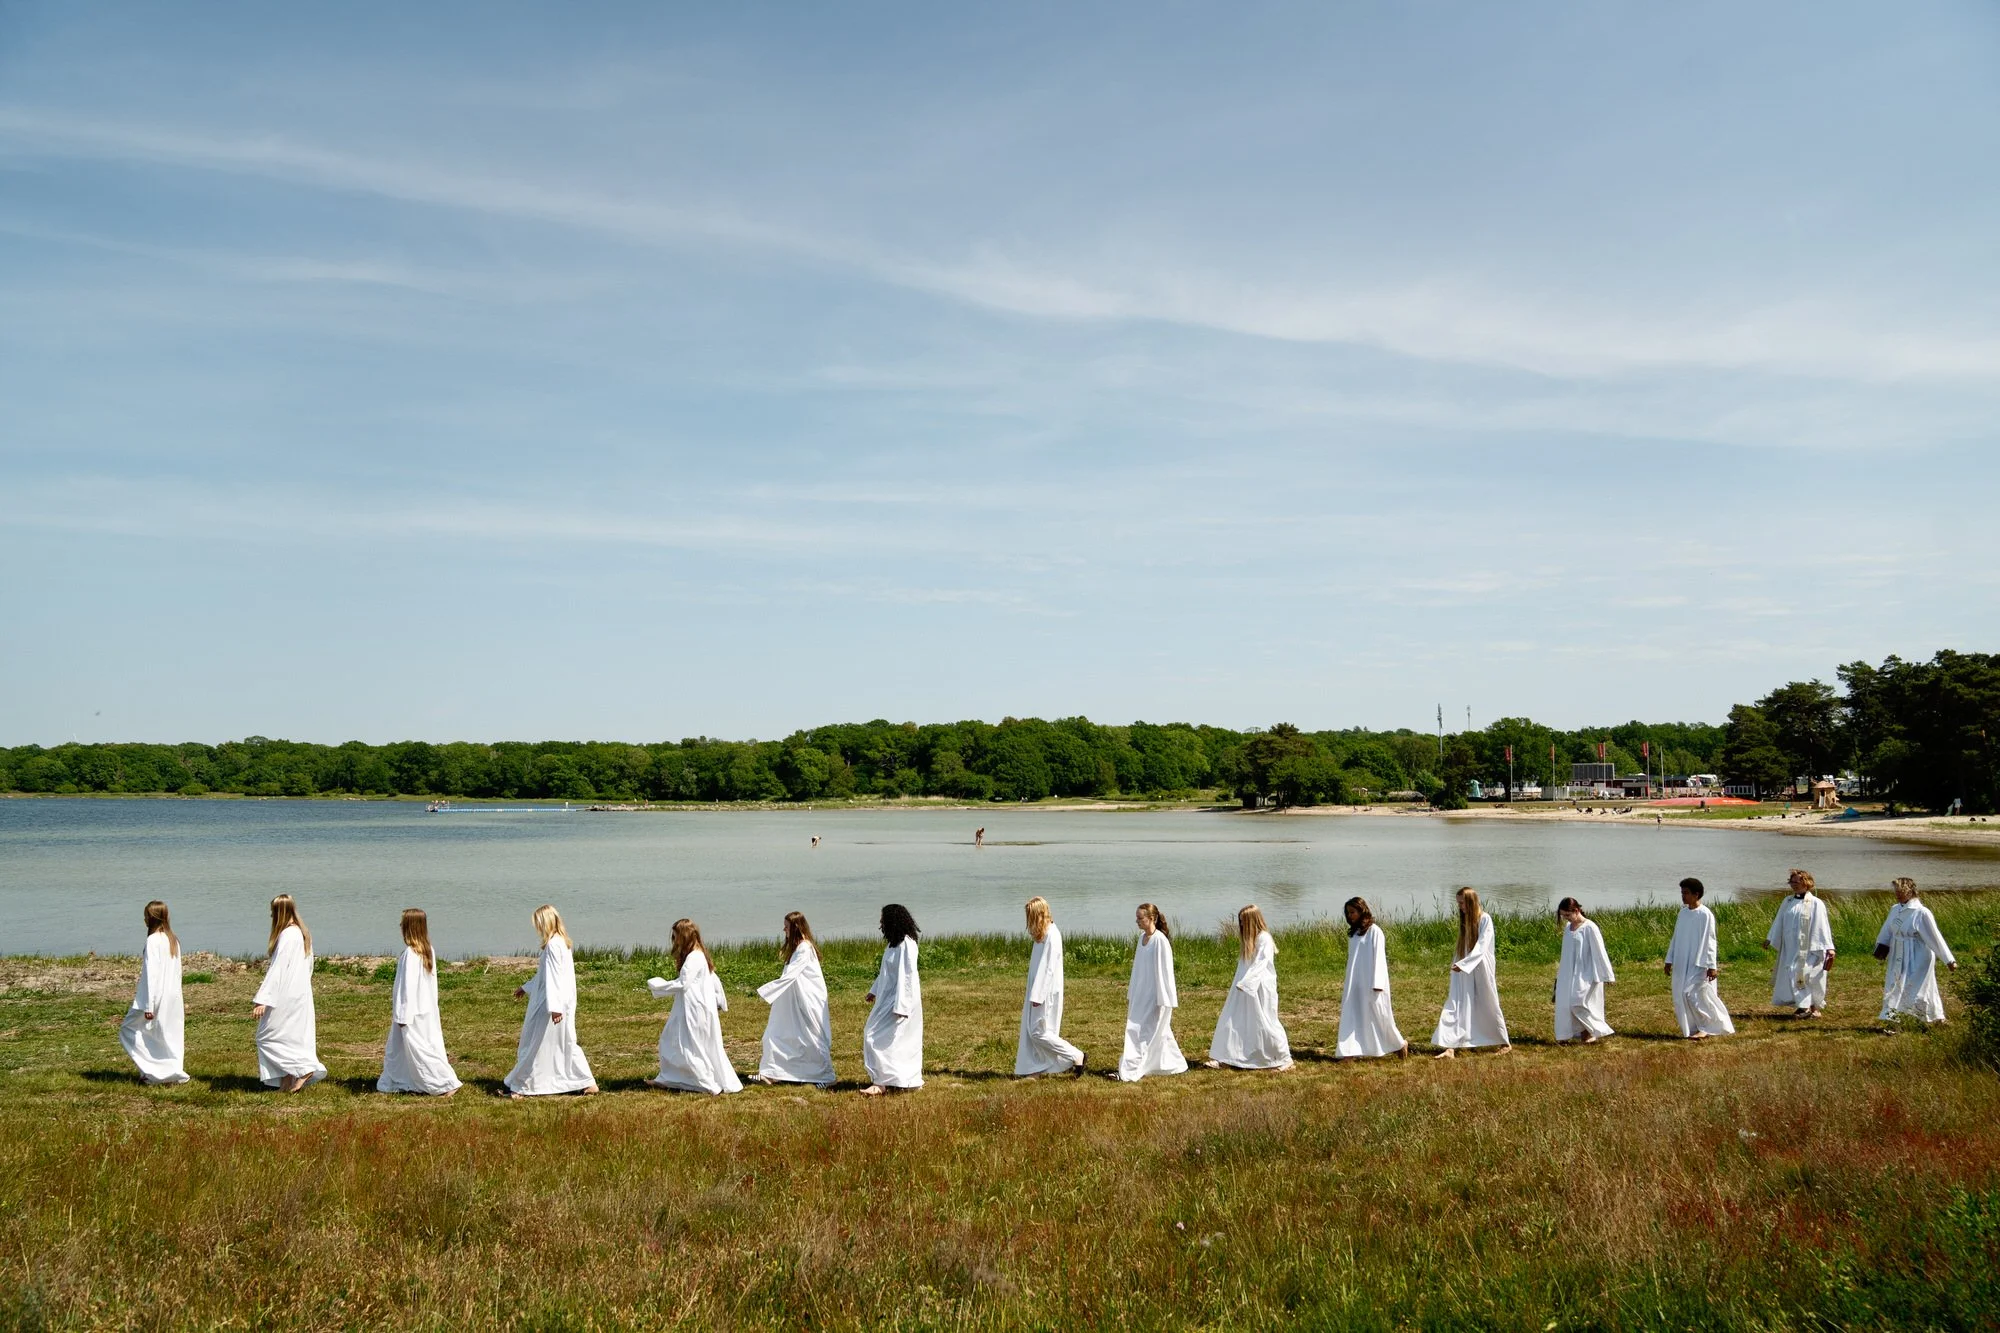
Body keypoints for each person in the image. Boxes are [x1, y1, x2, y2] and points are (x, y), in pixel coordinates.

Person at [503, 904, 598, 1098]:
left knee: (538, 1042)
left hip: (551, 1003)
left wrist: (555, 1008)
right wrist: (526, 987)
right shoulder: (559, 942)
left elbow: (555, 976)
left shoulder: (555, 945)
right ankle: (584, 1081)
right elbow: (544, 975)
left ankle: (525, 1085)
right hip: (555, 1001)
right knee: (564, 1041)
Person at [646, 918, 741, 1095]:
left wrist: (658, 986)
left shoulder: (694, 957)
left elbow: (683, 984)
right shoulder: (699, 954)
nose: (674, 940)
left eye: (676, 936)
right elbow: (712, 979)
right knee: (681, 1042)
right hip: (691, 1006)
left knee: (688, 1045)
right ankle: (672, 1078)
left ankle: (703, 1081)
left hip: (692, 1009)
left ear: (684, 936)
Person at [378, 907, 461, 1095]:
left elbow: (408, 988)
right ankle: (409, 1081)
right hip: (425, 1009)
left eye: (403, 923)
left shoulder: (411, 954)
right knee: (407, 1050)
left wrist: (402, 1015)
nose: (400, 926)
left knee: (419, 1049)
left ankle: (445, 1082)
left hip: (411, 1012)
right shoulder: (427, 950)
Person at [253, 894, 326, 1092]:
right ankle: (286, 1080)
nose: (271, 916)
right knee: (291, 1035)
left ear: (280, 913)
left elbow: (277, 969)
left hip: (285, 994)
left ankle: (303, 1068)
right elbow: (308, 966)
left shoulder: (287, 935)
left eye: (272, 912)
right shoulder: (303, 933)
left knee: (266, 1036)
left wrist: (263, 1000)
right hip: (300, 993)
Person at [753, 911, 835, 1087]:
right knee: (776, 1034)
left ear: (795, 928)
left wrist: (768, 990)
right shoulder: (799, 948)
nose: (784, 929)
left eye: (787, 927)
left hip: (805, 1000)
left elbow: (792, 974)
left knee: (812, 1036)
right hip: (792, 1000)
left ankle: (825, 1076)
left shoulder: (804, 948)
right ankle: (772, 1072)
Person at [1206, 904, 1292, 1070]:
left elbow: (1261, 963)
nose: (1241, 925)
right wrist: (1240, 985)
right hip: (1242, 988)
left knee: (1266, 1021)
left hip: (1259, 988)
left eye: (1244, 921)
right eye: (1240, 922)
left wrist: (1248, 983)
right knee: (1233, 1020)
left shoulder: (1264, 938)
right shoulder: (1248, 940)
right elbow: (1244, 966)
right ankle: (1226, 1057)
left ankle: (1284, 1058)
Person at [1433, 887, 1510, 1058]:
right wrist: (1458, 963)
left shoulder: (1485, 919)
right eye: (1458, 903)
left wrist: (1465, 964)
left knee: (1488, 1001)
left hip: (1481, 967)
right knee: (1458, 1002)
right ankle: (1450, 1046)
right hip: (1464, 967)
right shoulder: (1465, 920)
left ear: (1470, 901)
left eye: (1462, 903)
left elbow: (1482, 946)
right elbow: (1464, 945)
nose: (1459, 906)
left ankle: (1503, 1041)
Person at [120, 900, 189, 1085]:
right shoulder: (173, 940)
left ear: (151, 918)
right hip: (172, 996)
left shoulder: (153, 941)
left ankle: (153, 1071)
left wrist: (149, 1005)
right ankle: (169, 1071)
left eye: (145, 916)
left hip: (153, 998)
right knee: (169, 1035)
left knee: (128, 1029)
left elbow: (152, 974)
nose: (144, 919)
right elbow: (178, 973)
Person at [1015, 896, 1086, 1078]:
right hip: (1037, 991)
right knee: (1034, 1032)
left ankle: (1075, 1055)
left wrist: (1038, 995)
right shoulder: (1042, 935)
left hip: (1045, 993)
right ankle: (1037, 1067)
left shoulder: (1052, 935)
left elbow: (1048, 969)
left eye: (1031, 916)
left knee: (1039, 1032)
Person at [1118, 902, 1187, 1081]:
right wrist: (1132, 991)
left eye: (1141, 918)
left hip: (1155, 995)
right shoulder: (1142, 939)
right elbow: (1138, 969)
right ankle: (1169, 1061)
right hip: (1141, 993)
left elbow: (1165, 972)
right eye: (1137, 918)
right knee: (1149, 1029)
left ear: (1152, 918)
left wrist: (1164, 999)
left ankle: (1134, 1066)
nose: (1137, 921)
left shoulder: (1160, 941)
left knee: (1144, 1029)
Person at [1875, 877, 1958, 1024]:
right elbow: (1888, 930)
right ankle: (1894, 1018)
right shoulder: (1895, 910)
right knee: (1895, 985)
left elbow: (1935, 938)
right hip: (1898, 953)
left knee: (1919, 987)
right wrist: (1881, 947)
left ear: (1910, 891)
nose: (1898, 894)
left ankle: (1929, 1017)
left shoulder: (1922, 913)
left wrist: (1948, 960)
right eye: (1896, 891)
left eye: (1901, 891)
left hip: (1918, 955)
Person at [861, 904, 923, 1095]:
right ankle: (895, 1080)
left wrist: (902, 1006)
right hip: (887, 998)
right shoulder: (893, 944)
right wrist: (874, 990)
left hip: (900, 1001)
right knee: (891, 1039)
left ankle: (882, 1082)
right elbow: (886, 973)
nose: (880, 924)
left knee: (874, 1035)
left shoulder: (907, 944)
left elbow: (907, 976)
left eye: (882, 920)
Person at [1335, 897, 1408, 1059]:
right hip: (1355, 982)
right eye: (1347, 913)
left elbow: (1379, 958)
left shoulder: (1375, 931)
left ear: (1362, 910)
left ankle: (1399, 1043)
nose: (1350, 916)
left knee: (1380, 1016)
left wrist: (1377, 983)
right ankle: (1349, 1053)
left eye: (1352, 912)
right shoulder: (1353, 934)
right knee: (1353, 1014)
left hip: (1373, 982)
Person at [1665, 877, 1735, 1039]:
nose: (1683, 896)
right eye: (1682, 893)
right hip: (1683, 961)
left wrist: (1711, 965)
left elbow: (1710, 940)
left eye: (1687, 893)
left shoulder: (1705, 914)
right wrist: (1669, 959)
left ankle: (1709, 1026)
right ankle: (1695, 1026)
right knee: (1682, 994)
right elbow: (1676, 937)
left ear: (1697, 894)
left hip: (1699, 962)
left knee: (1696, 993)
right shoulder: (1683, 913)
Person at [1765, 869, 1835, 1017]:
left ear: (1807, 882)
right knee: (1793, 972)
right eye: (1792, 882)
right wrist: (1770, 938)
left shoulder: (1816, 903)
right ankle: (1807, 1006)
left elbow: (1822, 926)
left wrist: (1828, 947)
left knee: (1804, 974)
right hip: (1791, 947)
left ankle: (1806, 1007)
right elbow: (1779, 921)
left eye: (1798, 882)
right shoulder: (1788, 901)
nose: (1794, 885)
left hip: (1809, 947)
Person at [1553, 897, 1615, 1043]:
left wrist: (1607, 975)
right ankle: (1566, 1035)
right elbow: (1566, 953)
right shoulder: (1568, 929)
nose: (1566, 919)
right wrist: (1560, 975)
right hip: (1569, 972)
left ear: (1577, 910)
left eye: (1568, 915)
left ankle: (1594, 1030)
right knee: (1565, 1003)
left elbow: (1600, 952)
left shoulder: (1590, 927)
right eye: (1563, 916)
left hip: (1586, 973)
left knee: (1579, 1002)